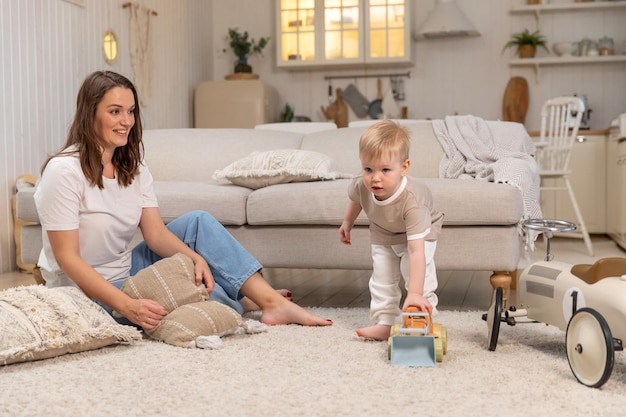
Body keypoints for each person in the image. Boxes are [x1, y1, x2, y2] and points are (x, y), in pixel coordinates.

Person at [34, 70, 332, 330]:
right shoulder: (64, 171)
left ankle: (270, 301)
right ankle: (243, 299)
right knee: (204, 300)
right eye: (115, 111)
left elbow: (156, 234)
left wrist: (197, 258)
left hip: (128, 269)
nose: (126, 121)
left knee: (197, 223)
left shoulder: (133, 168)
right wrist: (126, 305)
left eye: (131, 111)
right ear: (90, 113)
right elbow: (68, 259)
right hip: (85, 292)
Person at [339, 120, 444, 341]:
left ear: (404, 168)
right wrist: (347, 223)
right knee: (382, 277)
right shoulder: (362, 185)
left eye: (385, 170)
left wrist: (413, 293)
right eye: (368, 169)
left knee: (417, 275)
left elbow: (416, 251)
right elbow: (356, 199)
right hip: (383, 230)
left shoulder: (413, 201)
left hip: (419, 233)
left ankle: (424, 316)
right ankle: (384, 322)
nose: (375, 177)